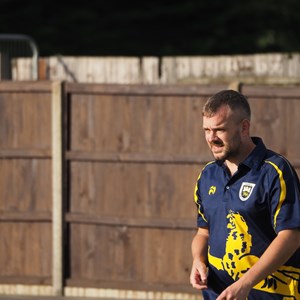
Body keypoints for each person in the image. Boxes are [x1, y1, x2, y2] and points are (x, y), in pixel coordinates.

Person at [189, 89, 300, 299]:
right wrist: (198, 260)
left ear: (244, 127)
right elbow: (203, 233)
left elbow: (291, 237)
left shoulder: (274, 171)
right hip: (218, 294)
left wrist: (245, 284)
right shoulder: (207, 175)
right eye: (206, 130)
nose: (211, 138)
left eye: (219, 130)